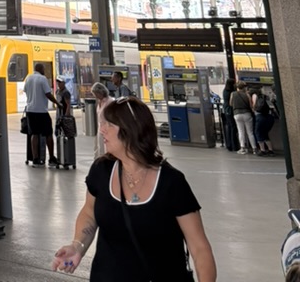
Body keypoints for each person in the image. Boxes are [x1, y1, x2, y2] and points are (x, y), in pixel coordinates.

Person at [52, 97, 216, 282]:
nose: (102, 129)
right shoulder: (102, 171)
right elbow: (90, 212)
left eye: (110, 125)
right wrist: (77, 246)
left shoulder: (171, 183)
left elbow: (199, 248)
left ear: (131, 130)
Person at [23, 62, 58, 167]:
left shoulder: (28, 78)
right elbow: (48, 94)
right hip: (41, 111)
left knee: (34, 134)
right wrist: (58, 103)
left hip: (30, 110)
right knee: (48, 134)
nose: (44, 71)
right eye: (43, 68)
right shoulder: (42, 79)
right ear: (40, 69)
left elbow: (25, 91)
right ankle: (51, 158)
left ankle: (35, 158)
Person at [230, 80, 257, 154]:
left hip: (237, 114)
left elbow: (231, 103)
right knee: (250, 132)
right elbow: (251, 105)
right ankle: (254, 148)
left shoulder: (233, 94)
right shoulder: (247, 94)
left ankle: (243, 148)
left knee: (241, 131)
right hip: (247, 114)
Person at [253, 85, 279, 156]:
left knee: (258, 132)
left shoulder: (255, 96)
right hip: (269, 117)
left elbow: (254, 106)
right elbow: (272, 107)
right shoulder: (267, 97)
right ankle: (270, 150)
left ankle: (262, 150)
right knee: (265, 133)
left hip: (260, 116)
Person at [90, 82, 114, 158]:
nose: (95, 96)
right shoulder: (99, 102)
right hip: (100, 129)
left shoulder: (109, 102)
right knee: (98, 149)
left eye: (96, 94)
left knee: (105, 150)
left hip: (107, 129)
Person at [221, 78, 237, 151]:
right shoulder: (232, 92)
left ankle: (229, 144)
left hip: (226, 110)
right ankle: (234, 145)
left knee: (229, 127)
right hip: (230, 110)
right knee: (233, 127)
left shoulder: (225, 90)